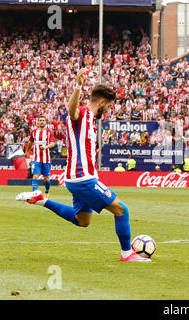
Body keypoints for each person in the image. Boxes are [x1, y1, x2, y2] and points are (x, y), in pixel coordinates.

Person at [15, 68, 151, 262]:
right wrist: (78, 85)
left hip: (78, 178)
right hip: (82, 178)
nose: (108, 110)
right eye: (109, 106)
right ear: (102, 102)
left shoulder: (89, 119)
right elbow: (71, 110)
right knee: (122, 210)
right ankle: (127, 253)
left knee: (83, 221)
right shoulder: (82, 114)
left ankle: (41, 199)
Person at [25, 115, 56, 198]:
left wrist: (46, 147)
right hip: (36, 159)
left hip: (46, 160)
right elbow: (30, 142)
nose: (42, 122)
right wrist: (27, 151)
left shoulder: (49, 132)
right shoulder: (34, 132)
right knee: (35, 176)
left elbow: (53, 143)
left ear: (45, 122)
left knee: (46, 179)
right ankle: (35, 194)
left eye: (43, 120)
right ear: (38, 122)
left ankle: (47, 191)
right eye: (40, 120)